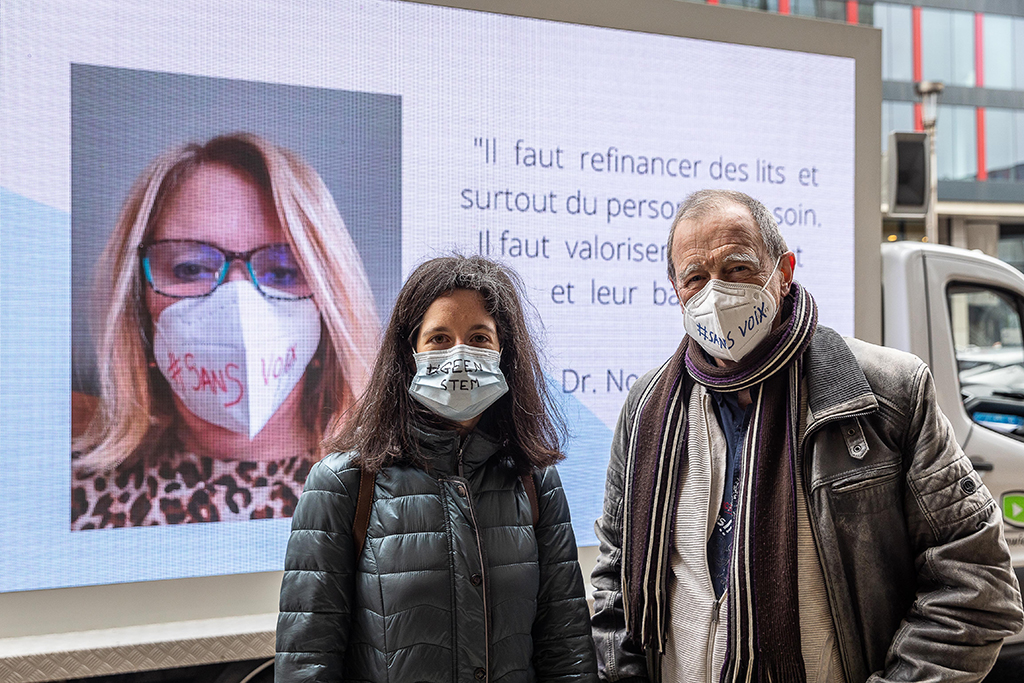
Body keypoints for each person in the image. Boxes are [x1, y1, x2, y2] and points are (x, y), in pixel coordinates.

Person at [591, 189, 1024, 682]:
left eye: (737, 268)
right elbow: (615, 576)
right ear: (676, 291)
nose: (716, 292)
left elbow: (978, 584)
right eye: (696, 278)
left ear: (785, 271)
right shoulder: (648, 407)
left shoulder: (886, 394)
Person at [276, 255, 598, 682]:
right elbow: (307, 661)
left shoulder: (534, 480)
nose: (459, 356)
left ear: (506, 352)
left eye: (480, 338)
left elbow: (566, 647)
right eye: (440, 338)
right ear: (409, 354)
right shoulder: (345, 482)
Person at [71, 133, 379, 529]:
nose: (239, 303)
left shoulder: (389, 496)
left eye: (283, 271)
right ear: (138, 301)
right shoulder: (78, 500)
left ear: (328, 301)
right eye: (190, 267)